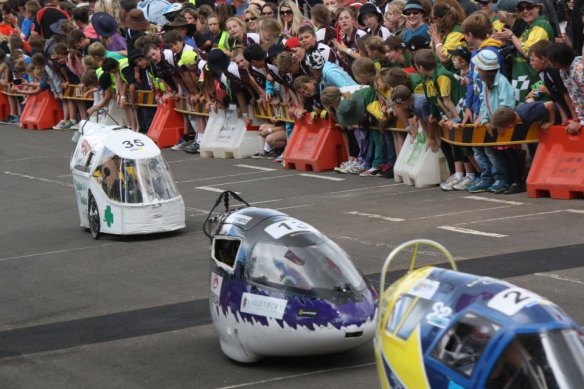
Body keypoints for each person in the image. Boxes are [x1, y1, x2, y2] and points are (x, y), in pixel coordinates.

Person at [546, 42, 584, 134]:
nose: (549, 62)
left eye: (550, 60)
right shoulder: (563, 72)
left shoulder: (580, 71)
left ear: (558, 60)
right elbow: (574, 96)